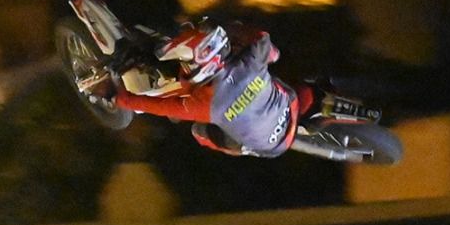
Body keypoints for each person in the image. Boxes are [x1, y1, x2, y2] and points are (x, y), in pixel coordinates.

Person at [111, 18, 312, 158]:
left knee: (199, 132)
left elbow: (162, 107)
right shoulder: (245, 70)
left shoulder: (213, 104)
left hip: (269, 144)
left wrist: (124, 100)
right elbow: (263, 40)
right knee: (272, 55)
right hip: (286, 111)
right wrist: (121, 100)